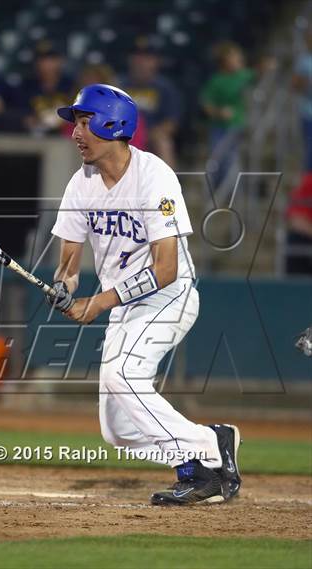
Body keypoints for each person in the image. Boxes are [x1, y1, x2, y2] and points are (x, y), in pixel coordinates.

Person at [46, 83, 242, 505]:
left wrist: (97, 302)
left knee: (122, 377)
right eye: (76, 123)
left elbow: (166, 269)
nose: (76, 132)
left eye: (84, 121)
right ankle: (207, 448)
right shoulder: (81, 185)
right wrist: (63, 287)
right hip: (124, 307)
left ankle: (203, 460)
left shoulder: (155, 176)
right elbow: (68, 263)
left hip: (168, 297)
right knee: (117, 430)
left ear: (113, 123)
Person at [201, 42, 254, 191]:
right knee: (218, 158)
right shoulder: (217, 80)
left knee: (232, 158)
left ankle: (233, 191)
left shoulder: (246, 75)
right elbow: (207, 105)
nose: (237, 60)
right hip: (219, 127)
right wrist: (219, 112)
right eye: (233, 57)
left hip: (238, 126)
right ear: (224, 60)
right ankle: (217, 189)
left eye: (238, 57)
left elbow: (260, 77)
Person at [121, 37, 182, 167]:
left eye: (147, 58)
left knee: (164, 143)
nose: (141, 62)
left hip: (151, 136)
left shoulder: (165, 88)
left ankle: (169, 186)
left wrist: (148, 134)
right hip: (121, 135)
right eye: (137, 57)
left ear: (155, 62)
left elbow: (171, 123)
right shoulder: (119, 85)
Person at [61, 63, 148, 150]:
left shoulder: (126, 113)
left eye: (95, 83)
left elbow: (135, 147)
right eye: (86, 83)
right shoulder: (74, 114)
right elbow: (67, 143)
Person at [18, 39, 74, 135]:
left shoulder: (71, 86)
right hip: (33, 138)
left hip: (64, 140)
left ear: (60, 61)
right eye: (42, 60)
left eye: (51, 59)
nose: (47, 64)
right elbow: (19, 113)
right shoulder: (26, 87)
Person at [292, 29, 312, 172]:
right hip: (308, 112)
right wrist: (305, 82)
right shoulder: (304, 61)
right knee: (310, 149)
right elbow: (295, 85)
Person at [285, 172, 312, 275]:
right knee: (296, 240)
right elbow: (296, 220)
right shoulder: (309, 182)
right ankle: (295, 287)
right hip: (307, 238)